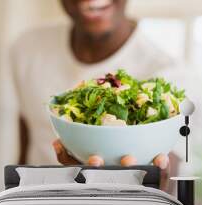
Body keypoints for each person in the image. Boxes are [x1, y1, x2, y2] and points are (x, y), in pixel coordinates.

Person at [10, 0, 181, 189]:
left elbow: (168, 176)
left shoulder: (168, 75)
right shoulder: (27, 48)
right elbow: (29, 128)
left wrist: (154, 187)